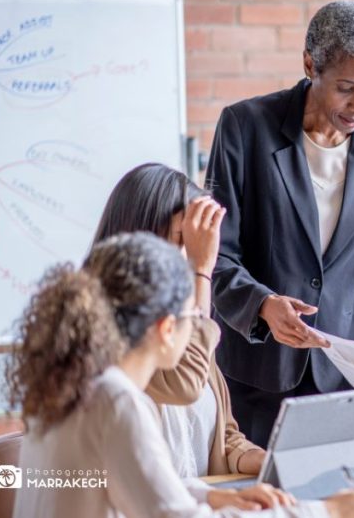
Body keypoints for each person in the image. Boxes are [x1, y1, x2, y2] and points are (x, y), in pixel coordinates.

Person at [10, 232, 354, 517]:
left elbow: (139, 483)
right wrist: (329, 510)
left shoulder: (76, 384)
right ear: (166, 328)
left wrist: (215, 495)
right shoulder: (114, 400)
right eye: (194, 317)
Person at [206, 0, 354, 447]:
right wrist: (262, 305)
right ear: (310, 64)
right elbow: (216, 254)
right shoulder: (245, 128)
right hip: (256, 378)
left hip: (346, 384)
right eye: (346, 87)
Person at [92, 163, 263, 476]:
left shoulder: (178, 314)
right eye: (183, 239)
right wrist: (202, 270)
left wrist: (257, 459)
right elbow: (185, 385)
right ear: (142, 237)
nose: (191, 253)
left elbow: (223, 433)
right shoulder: (105, 326)